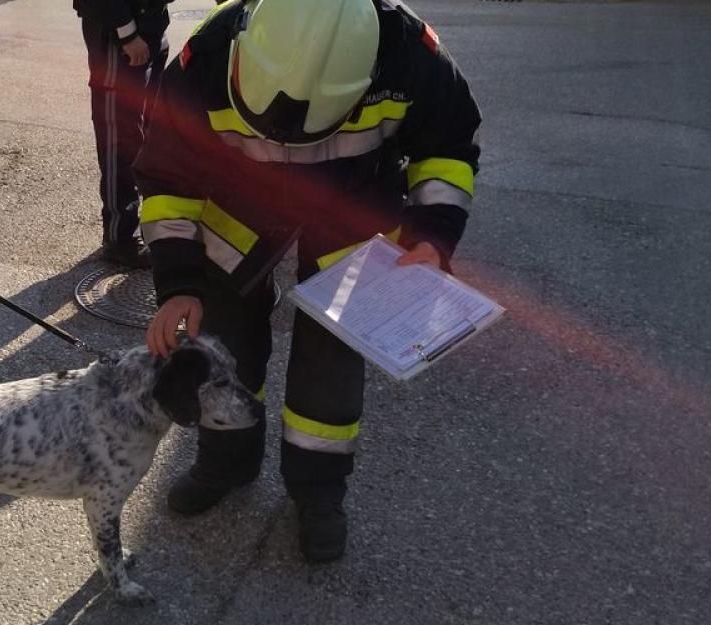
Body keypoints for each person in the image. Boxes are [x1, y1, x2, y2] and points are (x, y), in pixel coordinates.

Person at [135, 0, 481, 562]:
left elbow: (447, 150)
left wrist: (431, 238)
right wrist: (177, 282)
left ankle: (318, 492)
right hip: (234, 222)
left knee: (329, 365)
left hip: (349, 222)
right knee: (224, 347)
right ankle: (224, 461)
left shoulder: (409, 54)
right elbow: (168, 174)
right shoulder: (210, 52)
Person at [73, 0, 173, 268]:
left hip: (151, 25)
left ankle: (144, 226)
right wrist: (126, 33)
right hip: (120, 36)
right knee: (120, 138)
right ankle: (121, 238)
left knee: (144, 136)